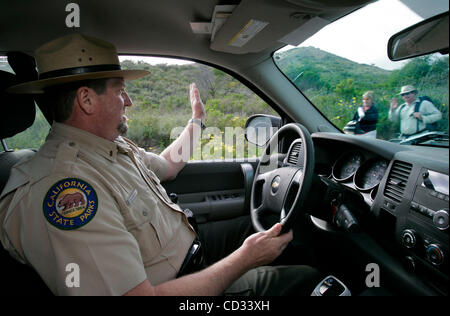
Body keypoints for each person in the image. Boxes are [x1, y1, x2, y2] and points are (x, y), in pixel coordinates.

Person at [0, 34, 321, 296]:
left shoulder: (110, 147)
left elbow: (167, 165)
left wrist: (197, 122)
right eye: (121, 91)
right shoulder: (64, 190)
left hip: (193, 248)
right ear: (86, 100)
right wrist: (246, 259)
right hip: (176, 286)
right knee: (303, 280)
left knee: (293, 232)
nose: (129, 102)